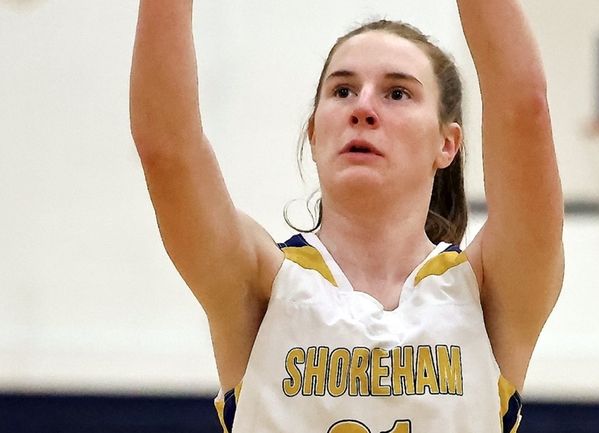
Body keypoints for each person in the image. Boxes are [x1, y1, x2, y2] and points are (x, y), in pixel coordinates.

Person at [130, 1, 564, 432]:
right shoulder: (260, 283)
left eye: (397, 93)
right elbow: (168, 151)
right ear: (315, 133)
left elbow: (524, 108)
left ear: (446, 145)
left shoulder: (490, 292)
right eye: (342, 91)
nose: (363, 108)